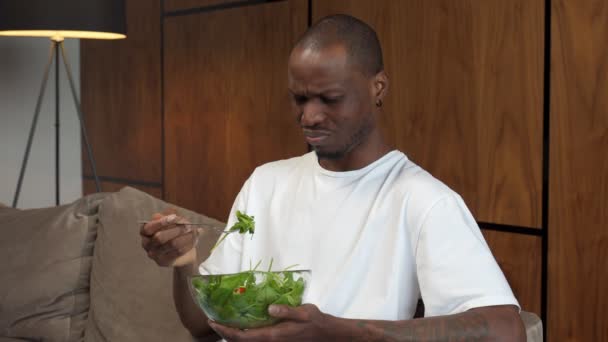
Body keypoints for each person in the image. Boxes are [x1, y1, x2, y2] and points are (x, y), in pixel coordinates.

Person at [141, 14, 525, 341]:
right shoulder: (265, 183)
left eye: (329, 99)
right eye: (300, 98)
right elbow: (202, 326)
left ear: (378, 88)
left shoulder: (422, 200)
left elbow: (507, 330)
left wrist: (337, 331)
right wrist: (184, 261)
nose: (309, 117)